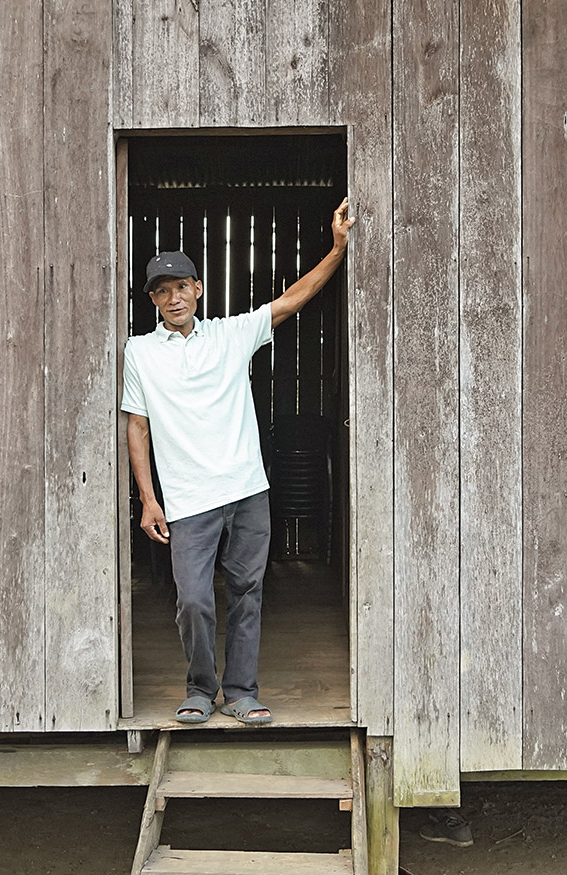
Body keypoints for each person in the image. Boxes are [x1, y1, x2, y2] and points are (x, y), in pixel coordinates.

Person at [121, 198, 354, 724]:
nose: (173, 297)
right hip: (187, 500)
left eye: (182, 287)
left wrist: (337, 249)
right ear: (154, 300)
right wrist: (148, 499)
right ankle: (200, 689)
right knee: (194, 601)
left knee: (248, 593)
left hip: (247, 489)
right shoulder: (140, 353)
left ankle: (242, 692)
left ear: (197, 290)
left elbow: (293, 299)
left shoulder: (229, 335)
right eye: (162, 290)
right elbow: (137, 427)